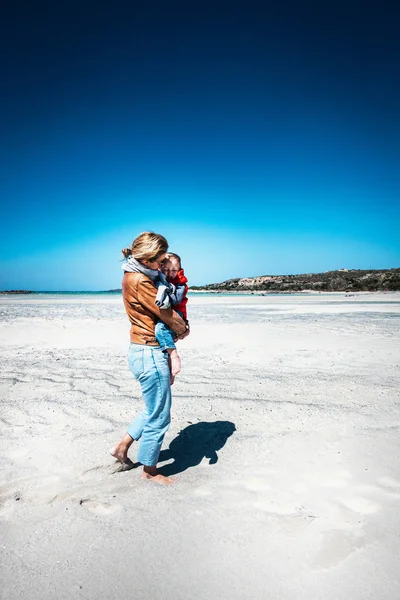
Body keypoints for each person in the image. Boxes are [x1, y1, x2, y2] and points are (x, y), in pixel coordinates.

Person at [111, 232, 189, 485]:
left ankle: (121, 447)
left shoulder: (135, 274)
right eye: (159, 260)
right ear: (146, 258)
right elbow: (164, 313)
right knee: (160, 415)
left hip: (142, 349)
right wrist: (183, 329)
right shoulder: (140, 280)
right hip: (149, 351)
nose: (162, 265)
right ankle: (150, 470)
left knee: (152, 407)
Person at [154, 252, 189, 384]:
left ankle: (174, 355)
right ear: (161, 268)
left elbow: (175, 300)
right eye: (166, 270)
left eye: (174, 270)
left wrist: (164, 286)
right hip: (168, 311)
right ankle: (171, 373)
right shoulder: (158, 278)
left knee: (160, 329)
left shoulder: (180, 284)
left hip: (178, 312)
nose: (170, 273)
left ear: (179, 270)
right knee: (165, 340)